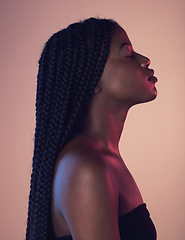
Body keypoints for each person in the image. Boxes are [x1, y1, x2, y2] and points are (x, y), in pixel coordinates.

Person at [26, 17, 158, 240]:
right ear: (93, 80)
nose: (144, 60)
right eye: (127, 54)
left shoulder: (103, 157)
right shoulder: (84, 167)